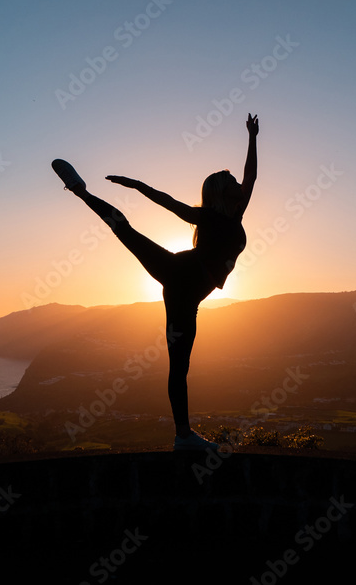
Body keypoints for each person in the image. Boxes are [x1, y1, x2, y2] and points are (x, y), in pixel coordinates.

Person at [51, 114, 259, 450]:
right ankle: (80, 192)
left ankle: (182, 436)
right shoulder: (206, 215)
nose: (239, 183)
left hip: (186, 292)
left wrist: (252, 136)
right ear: (221, 191)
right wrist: (136, 186)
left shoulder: (235, 212)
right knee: (125, 230)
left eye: (235, 180)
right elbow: (169, 202)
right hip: (178, 276)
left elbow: (251, 176)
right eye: (231, 180)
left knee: (181, 366)